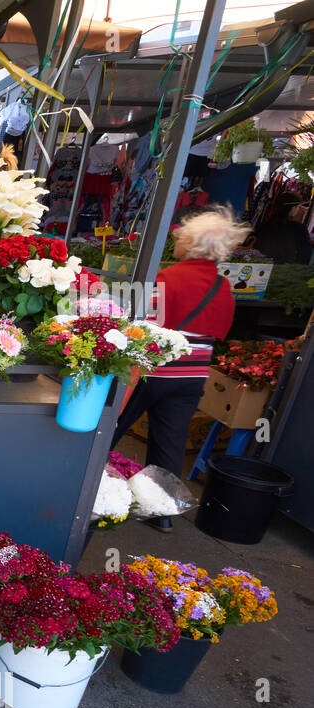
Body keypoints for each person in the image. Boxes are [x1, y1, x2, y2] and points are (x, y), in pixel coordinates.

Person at [113, 206, 251, 531]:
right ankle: (160, 513)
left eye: (179, 237)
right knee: (170, 442)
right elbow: (220, 331)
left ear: (190, 244)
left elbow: (146, 326)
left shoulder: (167, 277)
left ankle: (81, 490)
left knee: (111, 428)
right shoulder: (222, 287)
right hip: (193, 376)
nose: (175, 241)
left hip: (154, 372)